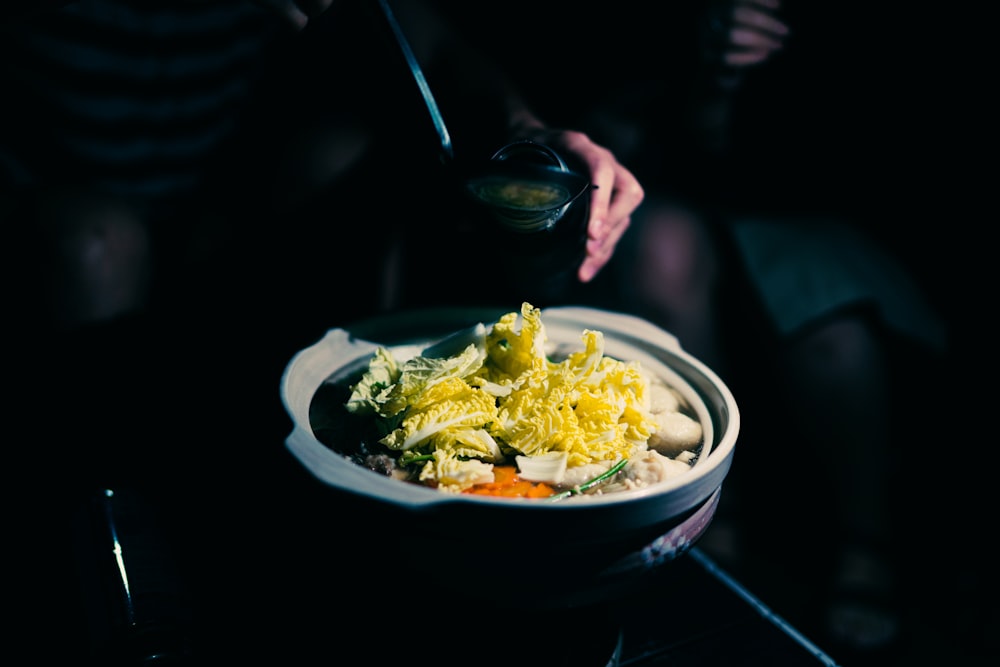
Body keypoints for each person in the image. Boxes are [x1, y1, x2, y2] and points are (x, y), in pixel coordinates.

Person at [2, 1, 644, 661]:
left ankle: (343, 531)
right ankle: (120, 571)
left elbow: (420, 34)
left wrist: (524, 130)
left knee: (336, 151)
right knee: (96, 247)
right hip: (52, 197)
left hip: (205, 190)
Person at [465, 0, 953, 662]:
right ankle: (716, 527)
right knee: (665, 250)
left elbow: (855, 139)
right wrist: (694, 93)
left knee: (831, 331)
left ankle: (868, 542)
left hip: (802, 182)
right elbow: (633, 115)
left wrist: (755, 80)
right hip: (677, 180)